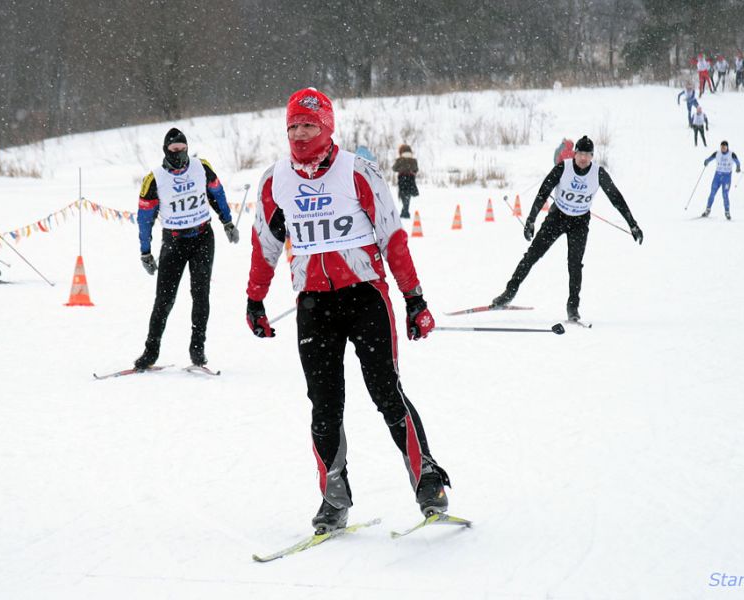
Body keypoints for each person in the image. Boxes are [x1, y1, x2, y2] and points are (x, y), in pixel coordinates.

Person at [244, 88, 451, 533]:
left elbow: (393, 238)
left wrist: (415, 299)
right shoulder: (274, 180)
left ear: (327, 127)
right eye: (293, 126)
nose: (300, 134)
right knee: (324, 406)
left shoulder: (357, 172)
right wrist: (255, 298)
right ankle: (334, 499)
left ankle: (428, 482)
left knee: (386, 391)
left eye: (309, 125)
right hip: (314, 306)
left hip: (365, 299)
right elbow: (265, 244)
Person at [489, 135, 643, 321]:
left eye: (588, 154)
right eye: (581, 154)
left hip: (579, 223)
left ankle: (573, 308)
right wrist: (531, 220)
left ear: (592, 156)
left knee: (575, 265)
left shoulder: (598, 173)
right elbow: (543, 192)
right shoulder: (564, 168)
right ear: (575, 153)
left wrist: (632, 224)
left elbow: (616, 198)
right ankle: (509, 292)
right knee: (532, 255)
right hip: (557, 218)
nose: (584, 158)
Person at [133, 128, 240, 369]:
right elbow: (145, 217)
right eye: (174, 150)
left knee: (200, 295)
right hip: (174, 242)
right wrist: (145, 250)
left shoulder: (201, 166)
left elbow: (217, 193)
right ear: (166, 151)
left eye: (182, 150)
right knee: (164, 300)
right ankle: (151, 352)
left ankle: (197, 348)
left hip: (202, 238)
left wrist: (227, 221)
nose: (179, 155)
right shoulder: (155, 178)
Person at [701, 141, 741, 220]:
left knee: (725, 194)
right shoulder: (717, 153)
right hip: (717, 176)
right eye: (722, 147)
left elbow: (737, 162)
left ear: (727, 147)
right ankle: (707, 210)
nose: (723, 149)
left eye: (724, 147)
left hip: (726, 177)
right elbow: (709, 159)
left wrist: (738, 167)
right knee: (712, 193)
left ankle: (727, 212)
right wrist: (706, 161)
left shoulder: (731, 154)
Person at [391, 144, 419, 219]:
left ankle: (405, 211)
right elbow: (416, 169)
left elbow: (394, 168)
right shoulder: (413, 160)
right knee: (408, 195)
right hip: (411, 179)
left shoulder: (400, 160)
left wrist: (401, 168)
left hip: (402, 178)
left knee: (403, 194)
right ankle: (405, 210)